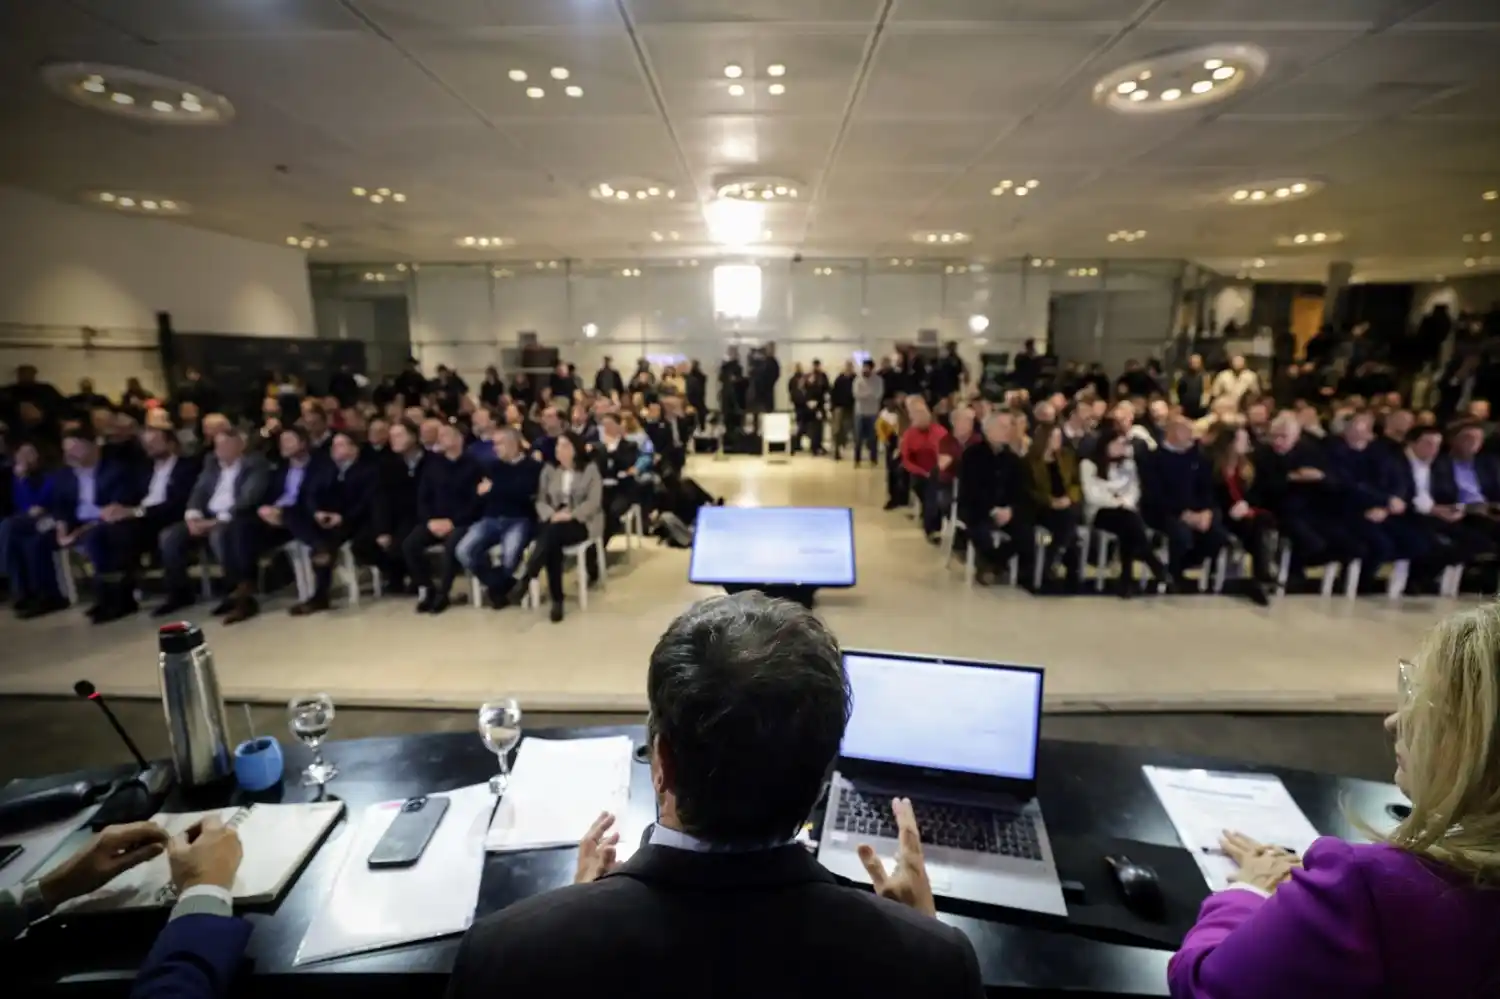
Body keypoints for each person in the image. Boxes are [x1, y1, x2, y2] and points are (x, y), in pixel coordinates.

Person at [446, 592, 983, 999]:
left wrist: (574, 915)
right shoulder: (935, 965)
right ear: (824, 777)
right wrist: (919, 934)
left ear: (662, 762)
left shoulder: (504, 955)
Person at [1171, 604, 1500, 998]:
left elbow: (1201, 985)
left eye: (1430, 711)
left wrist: (1247, 892)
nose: (1394, 723)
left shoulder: (1367, 888)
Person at [157, 429, 271, 623]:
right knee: (169, 536)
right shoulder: (211, 463)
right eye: (217, 445)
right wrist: (193, 515)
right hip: (208, 516)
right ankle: (180, 592)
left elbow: (249, 498)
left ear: (240, 446)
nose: (220, 450)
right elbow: (199, 490)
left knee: (220, 534)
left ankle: (237, 593)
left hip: (237, 517)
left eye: (226, 445)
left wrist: (218, 521)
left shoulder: (255, 463)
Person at [508, 432, 602, 623]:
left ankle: (529, 578)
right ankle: (555, 599)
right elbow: (541, 500)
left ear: (575, 449)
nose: (560, 450)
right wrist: (552, 515)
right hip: (553, 520)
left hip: (581, 521)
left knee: (551, 536)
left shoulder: (590, 470)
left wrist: (571, 514)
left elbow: (594, 502)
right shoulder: (550, 471)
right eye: (558, 446)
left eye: (565, 445)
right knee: (552, 540)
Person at [286, 430, 375, 615]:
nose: (335, 449)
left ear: (354, 449)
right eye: (333, 446)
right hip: (325, 518)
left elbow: (366, 503)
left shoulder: (367, 471)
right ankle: (319, 547)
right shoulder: (325, 470)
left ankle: (320, 595)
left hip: (352, 521)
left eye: (341, 445)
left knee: (327, 539)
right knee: (292, 512)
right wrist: (317, 512)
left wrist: (342, 518)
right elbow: (310, 494)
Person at [1080, 422, 1170, 598]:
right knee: (1130, 523)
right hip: (1100, 511)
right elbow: (1092, 495)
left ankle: (1127, 579)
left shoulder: (1128, 465)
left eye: (1124, 444)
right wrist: (1116, 502)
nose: (1122, 448)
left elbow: (1134, 490)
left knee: (1128, 527)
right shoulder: (1089, 464)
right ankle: (1152, 562)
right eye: (1118, 444)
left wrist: (1125, 502)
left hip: (1126, 511)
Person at [403, 423, 483, 614]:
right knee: (410, 545)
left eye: (446, 434)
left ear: (459, 439)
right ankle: (427, 587)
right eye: (440, 435)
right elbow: (423, 497)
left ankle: (443, 592)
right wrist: (429, 520)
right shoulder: (433, 465)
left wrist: (453, 522)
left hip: (462, 521)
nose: (441, 438)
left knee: (451, 546)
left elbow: (477, 501)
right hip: (434, 521)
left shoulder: (475, 465)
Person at [458, 427, 541, 609]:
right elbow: (481, 494)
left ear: (513, 444)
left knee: (510, 556)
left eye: (499, 444)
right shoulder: (492, 467)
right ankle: (498, 585)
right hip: (491, 518)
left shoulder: (532, 467)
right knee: (463, 551)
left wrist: (495, 489)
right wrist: (501, 490)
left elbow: (524, 493)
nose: (495, 448)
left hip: (519, 519)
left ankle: (497, 589)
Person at [1142, 417, 1228, 586]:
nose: (1191, 436)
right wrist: (1183, 514)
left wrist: (1206, 511)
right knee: (1181, 534)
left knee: (1217, 535)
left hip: (1197, 511)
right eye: (1186, 431)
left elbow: (1206, 489)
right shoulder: (1153, 458)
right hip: (1165, 512)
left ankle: (1189, 566)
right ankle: (1174, 575)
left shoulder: (1199, 458)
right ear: (1172, 432)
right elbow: (1155, 495)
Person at [958, 412, 1036, 587]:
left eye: (1010, 427)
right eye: (1003, 427)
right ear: (988, 429)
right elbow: (971, 489)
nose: (1008, 430)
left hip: (1006, 510)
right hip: (978, 507)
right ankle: (990, 566)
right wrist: (992, 510)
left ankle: (994, 563)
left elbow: (1021, 491)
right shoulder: (972, 454)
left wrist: (1010, 510)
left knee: (1025, 532)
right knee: (981, 531)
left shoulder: (1013, 459)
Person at [1205, 426, 1276, 606]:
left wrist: (1246, 506)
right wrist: (1231, 509)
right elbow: (1210, 495)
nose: (1247, 444)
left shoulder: (1248, 468)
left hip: (1245, 517)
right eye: (1242, 440)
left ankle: (1260, 576)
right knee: (1258, 526)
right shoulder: (1213, 467)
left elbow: (1256, 495)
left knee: (1261, 522)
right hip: (1222, 516)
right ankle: (1261, 575)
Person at [363, 418, 426, 593]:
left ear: (414, 436)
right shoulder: (387, 464)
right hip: (396, 516)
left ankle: (417, 578)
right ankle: (395, 573)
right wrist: (382, 529)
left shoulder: (430, 461)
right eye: (391, 437)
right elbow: (381, 498)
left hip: (423, 514)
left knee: (404, 540)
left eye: (399, 435)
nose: (394, 440)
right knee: (364, 542)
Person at [4, 442, 64, 618]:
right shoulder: (19, 478)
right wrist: (22, 480)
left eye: (29, 452)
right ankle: (23, 593)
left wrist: (23, 481)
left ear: (39, 454)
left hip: (54, 517)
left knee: (34, 539)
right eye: (21, 453)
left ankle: (47, 595)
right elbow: (23, 505)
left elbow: (44, 500)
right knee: (12, 532)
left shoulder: (52, 474)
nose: (24, 457)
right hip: (29, 521)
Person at [1023, 423, 1082, 591]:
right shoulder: (1030, 462)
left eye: (1059, 437)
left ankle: (1050, 561)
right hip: (1042, 507)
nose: (1058, 440)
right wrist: (1050, 501)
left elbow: (1076, 483)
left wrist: (1069, 498)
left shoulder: (1067, 457)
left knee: (1068, 518)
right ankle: (1066, 564)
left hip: (1066, 505)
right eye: (1054, 437)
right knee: (1069, 525)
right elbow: (1029, 490)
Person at [592, 413, 641, 542]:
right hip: (603, 489)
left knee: (612, 511)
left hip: (622, 490)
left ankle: (601, 544)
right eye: (604, 425)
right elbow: (598, 469)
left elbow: (625, 465)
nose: (607, 428)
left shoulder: (630, 445)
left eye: (610, 424)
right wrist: (603, 450)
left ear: (619, 426)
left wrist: (611, 451)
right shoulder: (598, 448)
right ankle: (596, 544)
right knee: (595, 510)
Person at [852, 358, 883, 468]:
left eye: (867, 367)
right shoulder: (857, 380)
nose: (865, 369)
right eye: (864, 367)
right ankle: (857, 460)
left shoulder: (878, 380)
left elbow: (878, 394)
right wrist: (868, 395)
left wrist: (866, 395)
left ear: (871, 368)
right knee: (858, 438)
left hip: (873, 412)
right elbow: (856, 394)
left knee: (873, 437)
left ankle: (873, 459)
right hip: (860, 412)